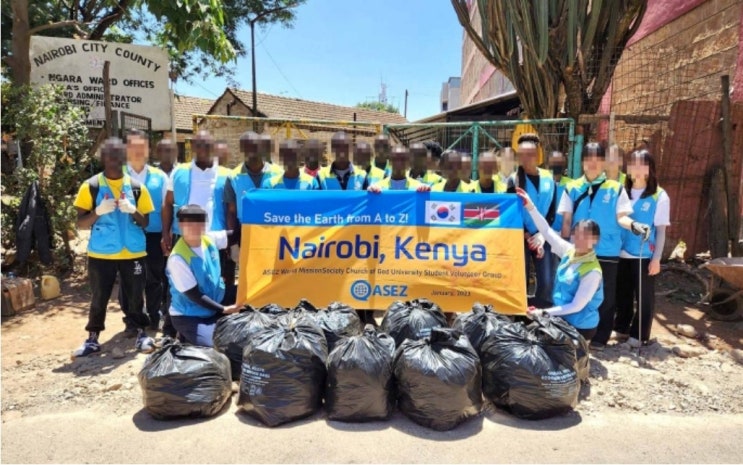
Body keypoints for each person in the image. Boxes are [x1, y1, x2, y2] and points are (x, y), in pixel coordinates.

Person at [558, 142, 650, 350]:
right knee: (574, 292)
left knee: (606, 296)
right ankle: (574, 333)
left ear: (603, 163)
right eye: (588, 159)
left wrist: (634, 225)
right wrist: (564, 248)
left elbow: (622, 217)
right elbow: (566, 221)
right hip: (579, 251)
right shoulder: (572, 188)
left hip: (606, 251)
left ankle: (600, 338)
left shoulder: (615, 188)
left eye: (597, 160)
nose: (592, 164)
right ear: (582, 163)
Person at [71, 138, 157, 358]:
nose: (113, 161)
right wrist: (97, 212)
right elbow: (80, 223)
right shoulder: (91, 186)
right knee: (99, 296)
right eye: (109, 156)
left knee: (136, 295)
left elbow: (145, 222)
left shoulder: (137, 188)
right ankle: (93, 338)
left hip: (133, 252)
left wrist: (132, 210)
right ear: (103, 159)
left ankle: (140, 332)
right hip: (102, 253)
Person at [517, 188, 602, 341]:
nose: (580, 240)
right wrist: (530, 206)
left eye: (587, 237)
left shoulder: (592, 271)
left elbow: (576, 306)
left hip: (580, 325)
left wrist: (543, 313)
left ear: (595, 241)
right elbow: (546, 231)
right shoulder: (569, 251)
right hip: (562, 315)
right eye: (577, 235)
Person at [163, 130, 234, 304]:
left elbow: (231, 210)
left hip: (216, 240)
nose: (202, 149)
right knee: (182, 283)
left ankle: (219, 321)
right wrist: (165, 233)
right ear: (193, 147)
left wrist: (231, 242)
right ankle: (175, 325)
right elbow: (167, 203)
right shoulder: (179, 172)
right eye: (198, 145)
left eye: (207, 145)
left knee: (220, 282)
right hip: (185, 239)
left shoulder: (227, 175)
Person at [615, 150, 670, 347]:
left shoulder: (659, 196)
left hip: (643, 254)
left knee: (644, 297)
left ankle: (638, 336)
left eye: (641, 165)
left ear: (650, 169)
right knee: (622, 294)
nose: (636, 169)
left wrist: (657, 259)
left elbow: (661, 231)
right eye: (633, 164)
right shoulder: (622, 191)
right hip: (620, 250)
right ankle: (621, 329)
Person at [119, 129, 170, 334]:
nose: (138, 150)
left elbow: (166, 207)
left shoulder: (159, 177)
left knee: (154, 278)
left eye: (142, 146)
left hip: (154, 235)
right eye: (133, 146)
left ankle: (154, 316)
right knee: (128, 280)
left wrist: (166, 233)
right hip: (126, 237)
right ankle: (132, 320)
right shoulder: (116, 175)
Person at [166, 205, 238, 346]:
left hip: (217, 298)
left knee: (253, 295)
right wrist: (223, 309)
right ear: (180, 225)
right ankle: (185, 336)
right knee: (217, 346)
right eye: (189, 223)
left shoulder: (208, 238)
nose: (195, 227)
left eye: (199, 222)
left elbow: (235, 236)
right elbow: (195, 295)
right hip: (190, 314)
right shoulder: (178, 259)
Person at [507, 134, 557, 308]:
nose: (526, 158)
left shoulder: (549, 178)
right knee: (520, 280)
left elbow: (552, 210)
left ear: (537, 155)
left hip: (544, 236)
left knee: (547, 280)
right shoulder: (513, 180)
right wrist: (527, 235)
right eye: (521, 155)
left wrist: (543, 236)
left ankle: (543, 315)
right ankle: (521, 316)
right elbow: (511, 213)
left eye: (530, 154)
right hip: (521, 237)